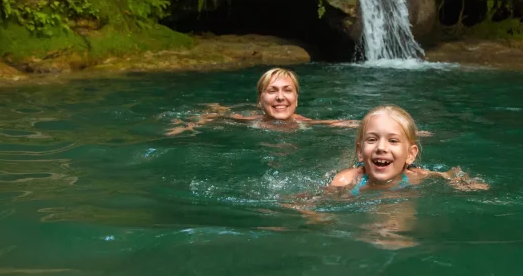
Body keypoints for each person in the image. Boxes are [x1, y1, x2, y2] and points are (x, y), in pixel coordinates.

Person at [329, 105, 489, 193]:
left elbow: (449, 175)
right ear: (360, 152)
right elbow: (317, 200)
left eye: (393, 140)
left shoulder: (415, 176)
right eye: (372, 139)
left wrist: (464, 182)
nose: (381, 147)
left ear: (410, 154)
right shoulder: (347, 180)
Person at [165, 68, 357, 135]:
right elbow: (212, 117)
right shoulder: (248, 120)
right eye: (272, 91)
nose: (280, 97)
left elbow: (339, 124)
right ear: (260, 101)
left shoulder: (305, 123)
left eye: (287, 91)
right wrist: (187, 125)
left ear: (296, 100)